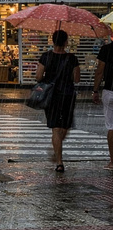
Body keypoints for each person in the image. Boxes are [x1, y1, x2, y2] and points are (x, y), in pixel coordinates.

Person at [35, 29, 82, 173]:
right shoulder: (72, 58)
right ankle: (57, 151)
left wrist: (48, 77)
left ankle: (59, 162)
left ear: (52, 41)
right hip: (67, 94)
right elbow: (77, 79)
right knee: (65, 126)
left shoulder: (46, 56)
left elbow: (38, 77)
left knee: (55, 128)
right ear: (66, 42)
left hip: (51, 96)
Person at [94, 38, 113, 170]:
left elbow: (100, 71)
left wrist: (95, 90)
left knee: (111, 127)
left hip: (110, 91)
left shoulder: (106, 49)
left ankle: (112, 162)